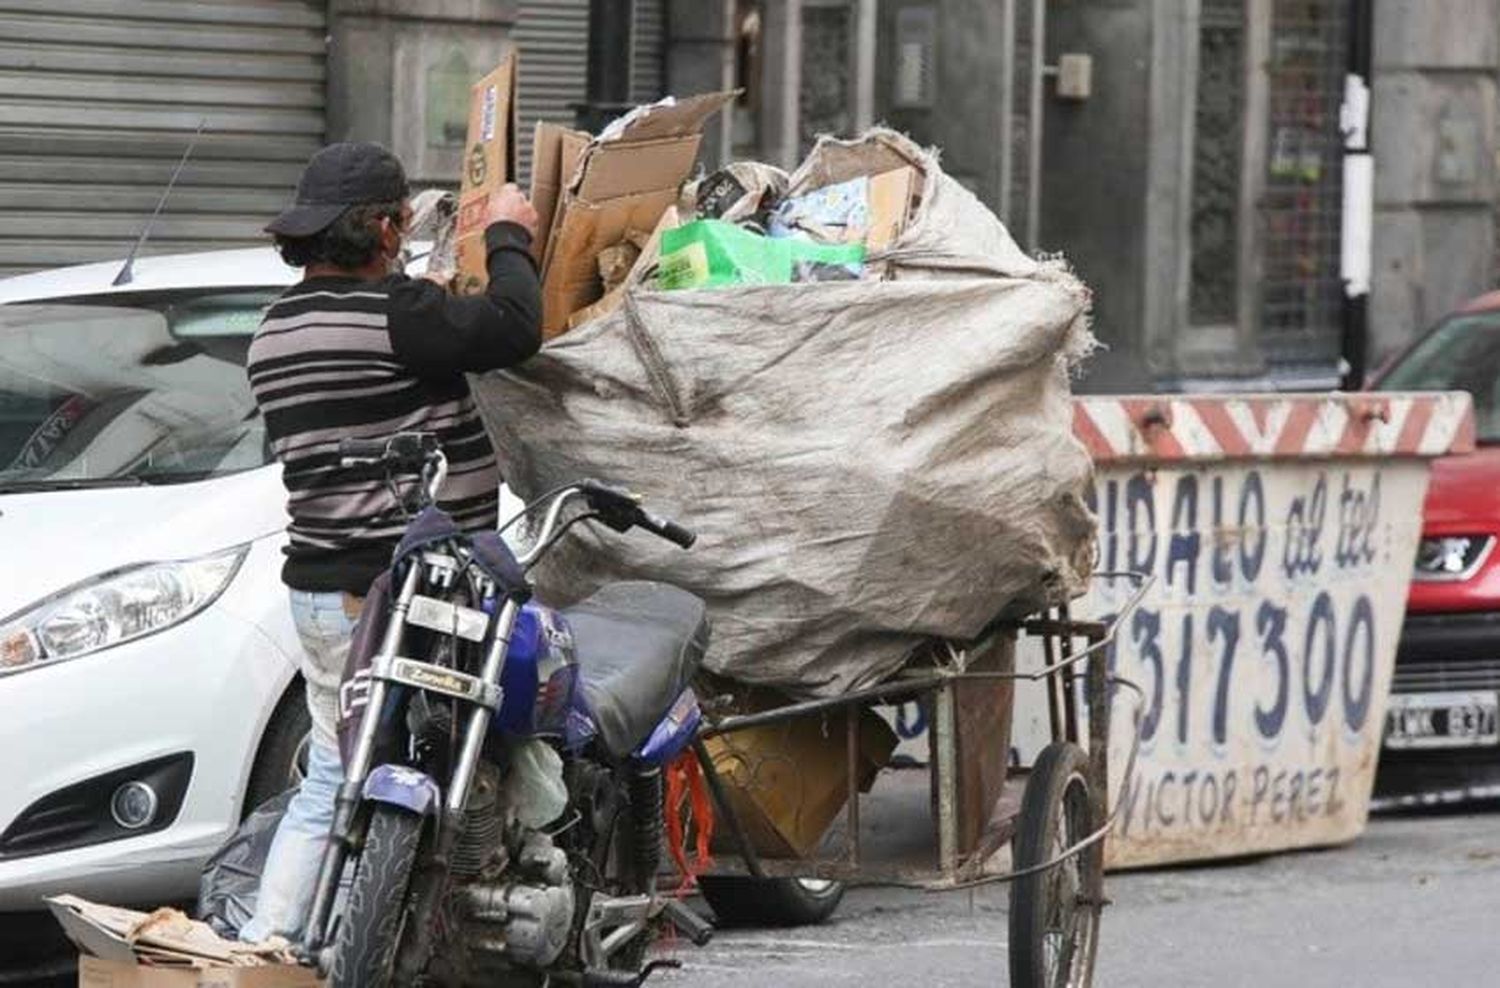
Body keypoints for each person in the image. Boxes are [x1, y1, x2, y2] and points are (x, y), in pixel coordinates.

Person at [239, 141, 541, 943]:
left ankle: (274, 948)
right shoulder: (400, 317)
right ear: (380, 230)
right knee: (473, 749)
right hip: (409, 595)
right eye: (401, 223)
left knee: (333, 776)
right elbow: (517, 328)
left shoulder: (273, 329)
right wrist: (509, 235)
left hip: (318, 590)